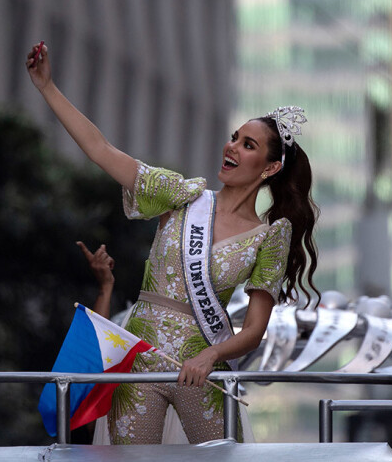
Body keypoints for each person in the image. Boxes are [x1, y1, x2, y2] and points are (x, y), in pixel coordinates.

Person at [26, 43, 319, 444]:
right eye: (235, 137)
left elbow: (253, 330)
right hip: (141, 359)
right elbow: (101, 150)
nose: (232, 147)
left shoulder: (270, 237)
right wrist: (47, 87)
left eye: (248, 145)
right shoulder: (183, 195)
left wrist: (212, 355)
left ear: (270, 168)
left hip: (200, 369)